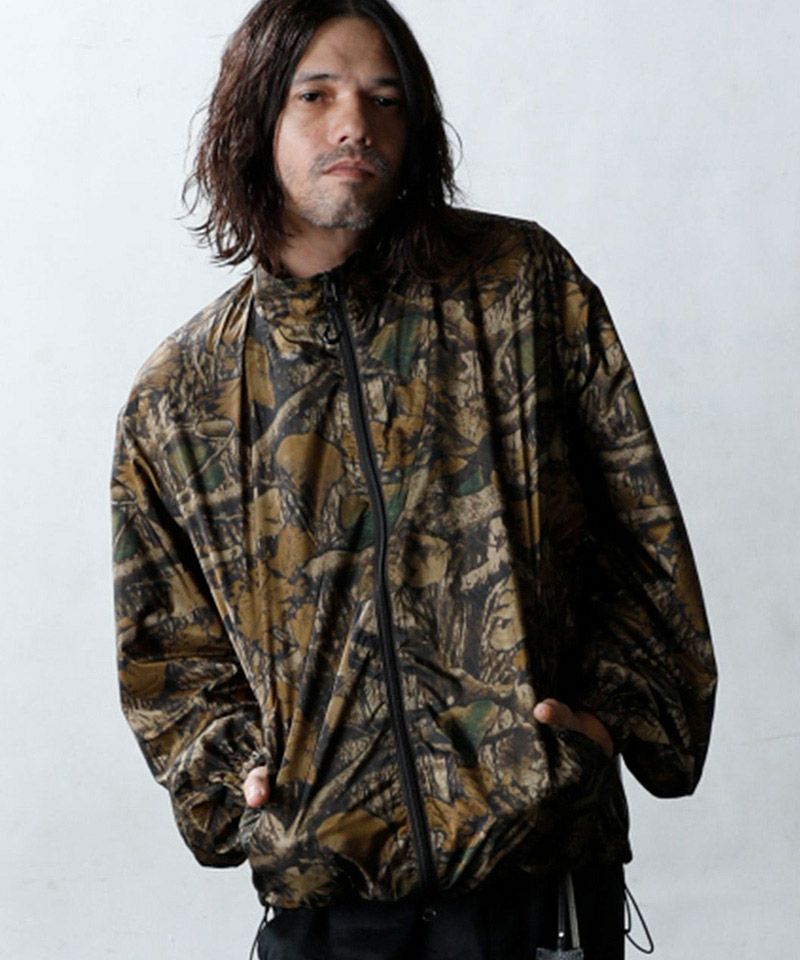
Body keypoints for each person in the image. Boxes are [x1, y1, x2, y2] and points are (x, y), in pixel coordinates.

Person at [110, 1, 717, 957]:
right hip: (328, 907)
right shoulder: (180, 395)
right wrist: (237, 780)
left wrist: (604, 723)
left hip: (537, 888)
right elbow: (169, 653)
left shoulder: (520, 288)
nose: (355, 123)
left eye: (384, 99)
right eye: (317, 95)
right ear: (254, 119)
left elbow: (640, 529)